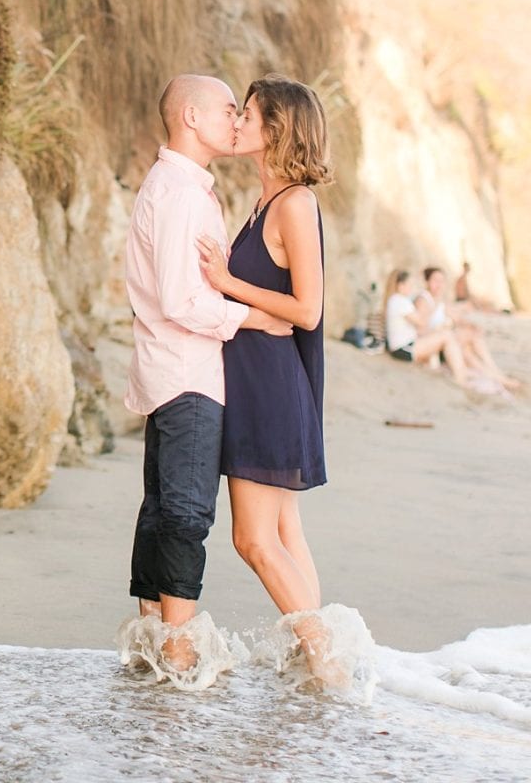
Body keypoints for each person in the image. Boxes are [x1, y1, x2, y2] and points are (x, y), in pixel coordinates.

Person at [123, 74, 289, 677]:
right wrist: (256, 318)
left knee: (163, 506)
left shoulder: (180, 186)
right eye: (226, 110)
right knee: (188, 512)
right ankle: (177, 643)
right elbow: (180, 300)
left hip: (170, 369)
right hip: (187, 372)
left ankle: (151, 636)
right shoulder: (181, 193)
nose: (236, 120)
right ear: (190, 117)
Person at [194, 74, 342, 685]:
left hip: (271, 385)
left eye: (247, 114)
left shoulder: (296, 204)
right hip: (259, 378)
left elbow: (308, 309)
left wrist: (229, 285)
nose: (237, 123)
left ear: (277, 128)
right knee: (282, 531)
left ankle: (330, 661)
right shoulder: (264, 202)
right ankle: (318, 663)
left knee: (254, 539)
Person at [383, 269, 486, 393]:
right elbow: (421, 322)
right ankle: (460, 378)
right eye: (410, 285)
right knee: (446, 336)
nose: (412, 288)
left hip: (407, 344)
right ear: (400, 286)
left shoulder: (399, 300)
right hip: (403, 348)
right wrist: (434, 305)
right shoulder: (399, 301)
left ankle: (462, 371)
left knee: (447, 336)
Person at [420, 267, 517, 390]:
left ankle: (497, 375)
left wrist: (468, 324)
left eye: (441, 281)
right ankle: (497, 374)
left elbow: (456, 317)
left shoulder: (439, 300)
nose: (439, 285)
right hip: (435, 344)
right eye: (435, 280)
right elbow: (421, 328)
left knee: (469, 347)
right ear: (427, 281)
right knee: (470, 340)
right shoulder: (424, 300)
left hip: (444, 342)